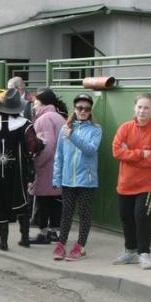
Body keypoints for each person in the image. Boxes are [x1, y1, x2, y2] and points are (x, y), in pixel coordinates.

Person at [0, 88, 42, 250]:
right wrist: (41, 143)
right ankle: (25, 238)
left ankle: (3, 242)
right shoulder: (25, 125)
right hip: (18, 173)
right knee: (22, 202)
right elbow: (33, 146)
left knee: (0, 203)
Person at [112, 93, 151, 270]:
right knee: (126, 217)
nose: (142, 111)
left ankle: (144, 254)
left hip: (149, 185)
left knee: (142, 217)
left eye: (147, 107)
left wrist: (128, 155)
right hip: (126, 183)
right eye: (140, 107)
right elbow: (116, 152)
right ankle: (130, 252)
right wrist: (142, 154)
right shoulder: (125, 128)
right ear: (134, 108)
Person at [51, 93, 102, 261]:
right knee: (66, 213)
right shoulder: (64, 128)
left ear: (90, 111)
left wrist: (72, 135)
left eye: (87, 108)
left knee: (84, 214)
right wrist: (56, 177)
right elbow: (59, 155)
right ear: (75, 109)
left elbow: (90, 150)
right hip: (68, 179)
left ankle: (80, 246)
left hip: (87, 180)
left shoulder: (96, 129)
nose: (83, 111)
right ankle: (61, 244)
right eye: (80, 108)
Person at [29, 89, 68, 245]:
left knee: (43, 201)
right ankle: (54, 232)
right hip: (59, 167)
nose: (34, 105)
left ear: (43, 102)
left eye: (36, 102)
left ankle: (43, 234)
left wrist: (36, 164)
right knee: (55, 201)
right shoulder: (59, 117)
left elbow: (47, 145)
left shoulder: (44, 119)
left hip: (46, 167)